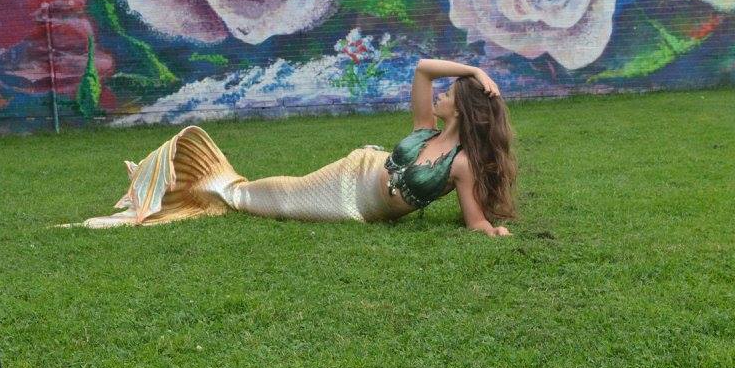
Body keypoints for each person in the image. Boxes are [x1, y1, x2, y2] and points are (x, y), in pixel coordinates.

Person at [74, 59, 517, 237]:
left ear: (459, 108)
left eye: (449, 93)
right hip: (353, 172)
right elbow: (423, 70)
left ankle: (206, 187)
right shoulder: (425, 129)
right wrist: (474, 69)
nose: (438, 95)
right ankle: (208, 187)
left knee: (279, 202)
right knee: (279, 195)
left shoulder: (461, 164)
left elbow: (475, 220)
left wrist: (491, 231)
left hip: (361, 207)